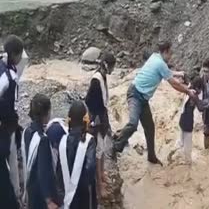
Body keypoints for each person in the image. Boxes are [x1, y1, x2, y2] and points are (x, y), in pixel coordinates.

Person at [113, 41, 196, 165]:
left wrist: (178, 74)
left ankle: (151, 156)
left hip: (142, 98)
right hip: (135, 95)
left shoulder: (155, 57)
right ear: (166, 51)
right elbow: (173, 83)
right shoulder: (160, 63)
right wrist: (188, 91)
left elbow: (166, 72)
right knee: (133, 123)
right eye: (170, 53)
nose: (171, 56)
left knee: (149, 128)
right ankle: (116, 146)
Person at [85, 51, 115, 203]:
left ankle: (102, 173)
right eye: (113, 67)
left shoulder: (102, 76)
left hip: (102, 116)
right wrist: (95, 120)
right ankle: (99, 185)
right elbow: (88, 100)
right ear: (107, 65)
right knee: (98, 150)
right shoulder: (96, 80)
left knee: (102, 148)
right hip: (97, 119)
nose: (113, 70)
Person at [21, 94, 60, 209]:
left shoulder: (27, 131)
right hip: (41, 193)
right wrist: (48, 200)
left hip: (30, 186)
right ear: (46, 113)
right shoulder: (42, 140)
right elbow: (43, 171)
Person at [0, 35, 25, 208]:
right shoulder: (8, 77)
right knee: (10, 161)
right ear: (14, 55)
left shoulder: (3, 66)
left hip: (7, 123)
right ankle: (14, 195)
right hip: (6, 126)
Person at [58, 101, 97, 209]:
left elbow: (58, 171)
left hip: (67, 193)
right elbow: (90, 168)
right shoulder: (89, 141)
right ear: (85, 120)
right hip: (84, 195)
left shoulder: (63, 141)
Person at [176, 76, 204, 163]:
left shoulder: (188, 90)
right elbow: (200, 108)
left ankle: (177, 151)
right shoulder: (194, 95)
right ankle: (188, 160)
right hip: (188, 121)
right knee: (188, 143)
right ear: (198, 88)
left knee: (181, 139)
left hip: (182, 117)